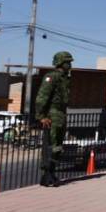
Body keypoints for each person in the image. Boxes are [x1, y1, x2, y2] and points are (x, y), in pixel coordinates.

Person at [35, 51, 73, 187]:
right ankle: (46, 175)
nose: (70, 65)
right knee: (51, 145)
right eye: (67, 62)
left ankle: (51, 172)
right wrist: (41, 116)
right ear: (60, 63)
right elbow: (42, 97)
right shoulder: (51, 77)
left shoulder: (65, 78)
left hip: (61, 114)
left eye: (70, 62)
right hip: (52, 114)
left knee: (58, 146)